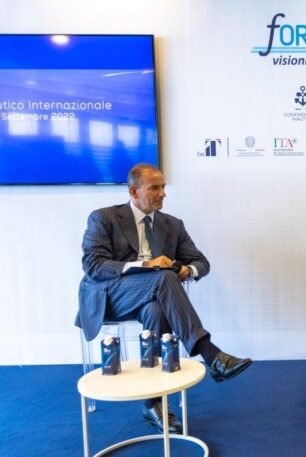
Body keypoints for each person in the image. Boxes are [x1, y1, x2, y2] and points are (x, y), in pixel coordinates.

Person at [76, 163, 252, 434]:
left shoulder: (171, 224)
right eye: (155, 188)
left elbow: (201, 262)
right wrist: (146, 266)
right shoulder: (104, 218)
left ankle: (153, 403)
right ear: (134, 191)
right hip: (111, 295)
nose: (163, 194)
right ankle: (211, 354)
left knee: (158, 309)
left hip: (153, 297)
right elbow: (93, 265)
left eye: (163, 187)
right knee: (163, 277)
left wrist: (186, 270)